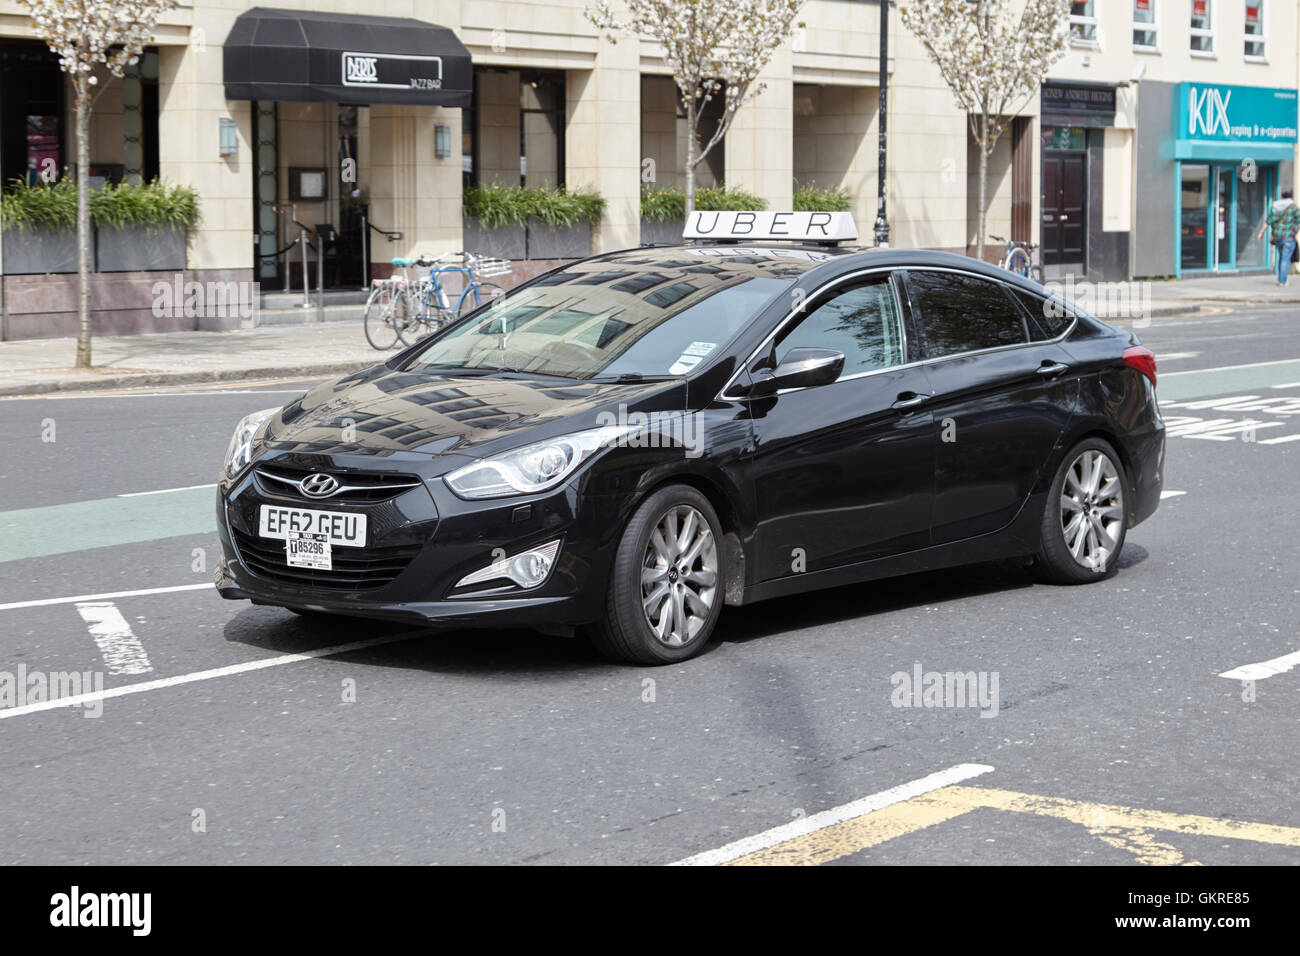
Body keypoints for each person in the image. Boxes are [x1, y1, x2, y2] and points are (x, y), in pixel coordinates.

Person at [1258, 189, 1300, 286]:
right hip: (1288, 236)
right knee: (1285, 259)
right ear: (1291, 196)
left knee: (1281, 257)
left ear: (1282, 196)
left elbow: (1268, 220)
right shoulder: (1293, 207)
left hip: (1277, 237)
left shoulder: (1275, 206)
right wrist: (1295, 232)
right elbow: (1299, 221)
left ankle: (1280, 279)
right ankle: (1282, 281)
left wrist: (1262, 232)